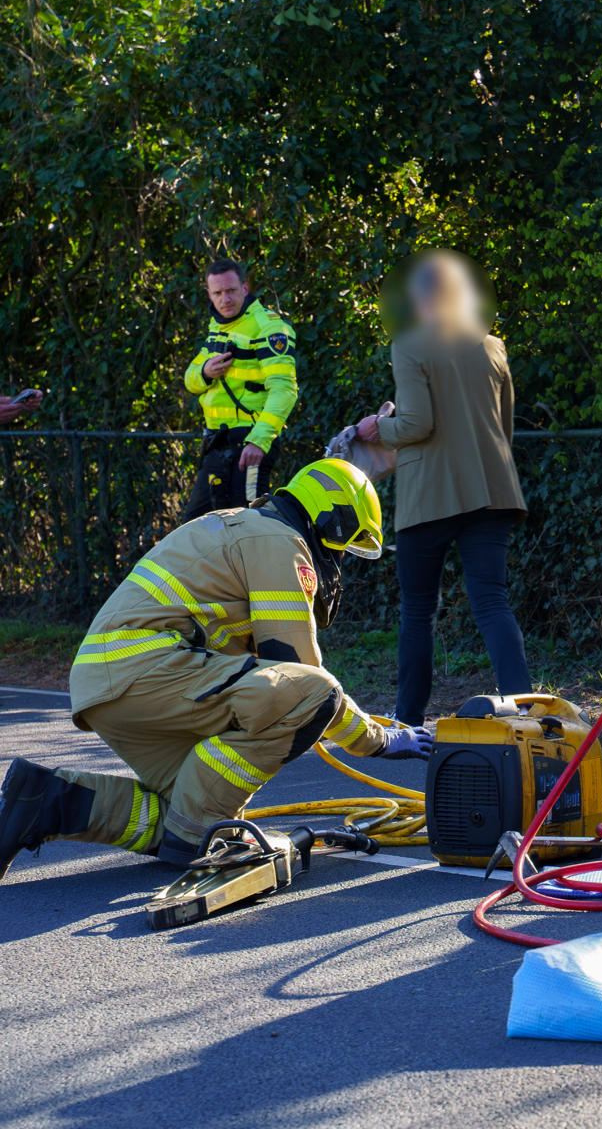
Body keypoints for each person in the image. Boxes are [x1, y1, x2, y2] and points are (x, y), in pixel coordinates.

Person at [0, 459, 428, 878]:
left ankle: (44, 800)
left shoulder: (239, 524)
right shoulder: (278, 542)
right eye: (341, 545)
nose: (337, 560)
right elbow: (301, 674)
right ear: (329, 521)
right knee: (314, 693)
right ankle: (198, 838)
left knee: (183, 817)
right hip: (150, 670)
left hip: (109, 682)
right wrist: (381, 740)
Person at [354, 251, 529, 726]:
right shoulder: (493, 346)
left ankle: (408, 720)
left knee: (417, 610)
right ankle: (526, 710)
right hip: (493, 493)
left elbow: (416, 422)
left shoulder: (410, 344)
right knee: (493, 602)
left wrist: (376, 428)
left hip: (428, 498)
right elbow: (503, 428)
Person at [181, 259, 299, 521]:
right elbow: (189, 380)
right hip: (218, 444)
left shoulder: (269, 327)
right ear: (209, 294)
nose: (225, 299)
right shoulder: (218, 327)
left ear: (245, 288)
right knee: (198, 526)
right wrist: (205, 372)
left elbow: (285, 390)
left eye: (231, 291)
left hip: (249, 444)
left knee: (245, 527)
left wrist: (259, 440)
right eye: (218, 293)